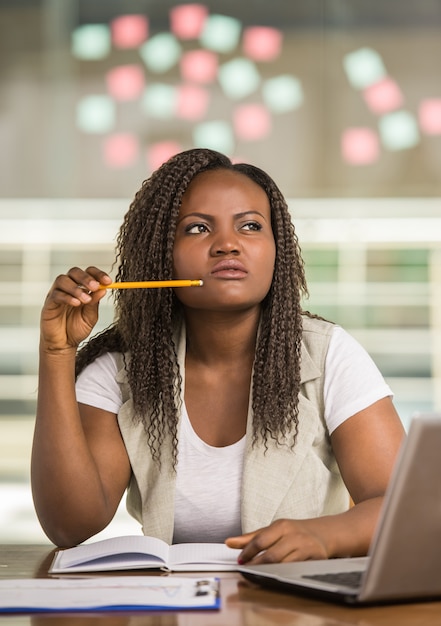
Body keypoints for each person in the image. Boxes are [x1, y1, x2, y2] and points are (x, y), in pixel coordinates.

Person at [31, 148, 405, 564]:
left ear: (276, 249)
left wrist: (325, 536)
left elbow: (403, 506)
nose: (227, 244)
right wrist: (57, 352)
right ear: (161, 254)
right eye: (197, 229)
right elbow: (69, 525)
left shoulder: (329, 354)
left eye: (250, 226)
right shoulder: (119, 369)